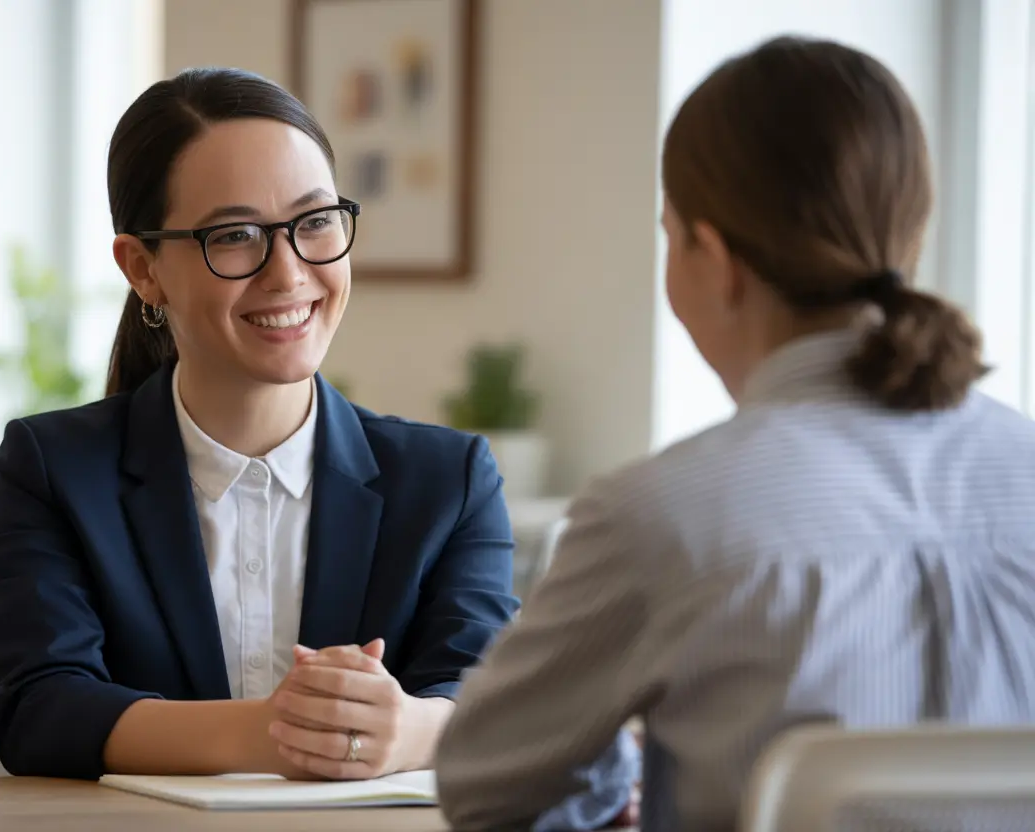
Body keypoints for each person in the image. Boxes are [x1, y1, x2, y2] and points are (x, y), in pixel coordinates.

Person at [435, 35, 1035, 832]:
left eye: (668, 232)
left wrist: (619, 750)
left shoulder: (660, 514)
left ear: (714, 259)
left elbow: (484, 786)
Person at [0, 67, 521, 782]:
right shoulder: (49, 470)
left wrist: (409, 730)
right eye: (235, 235)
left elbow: (486, 699)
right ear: (144, 270)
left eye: (315, 222)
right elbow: (39, 709)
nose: (289, 274)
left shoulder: (450, 482)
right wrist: (279, 730)